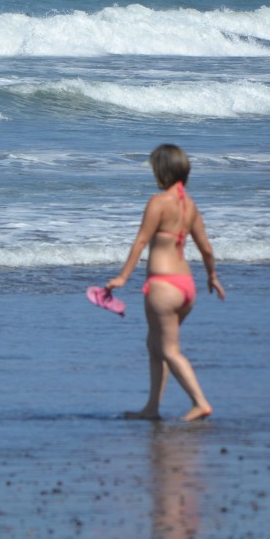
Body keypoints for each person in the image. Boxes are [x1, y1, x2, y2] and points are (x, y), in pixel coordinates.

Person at [105, 143, 225, 422]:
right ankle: (151, 408)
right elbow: (206, 248)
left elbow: (141, 241)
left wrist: (122, 276)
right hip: (186, 287)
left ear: (163, 171)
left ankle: (200, 402)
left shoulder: (158, 203)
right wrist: (213, 277)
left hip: (163, 286)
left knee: (168, 349)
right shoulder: (190, 206)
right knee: (155, 344)